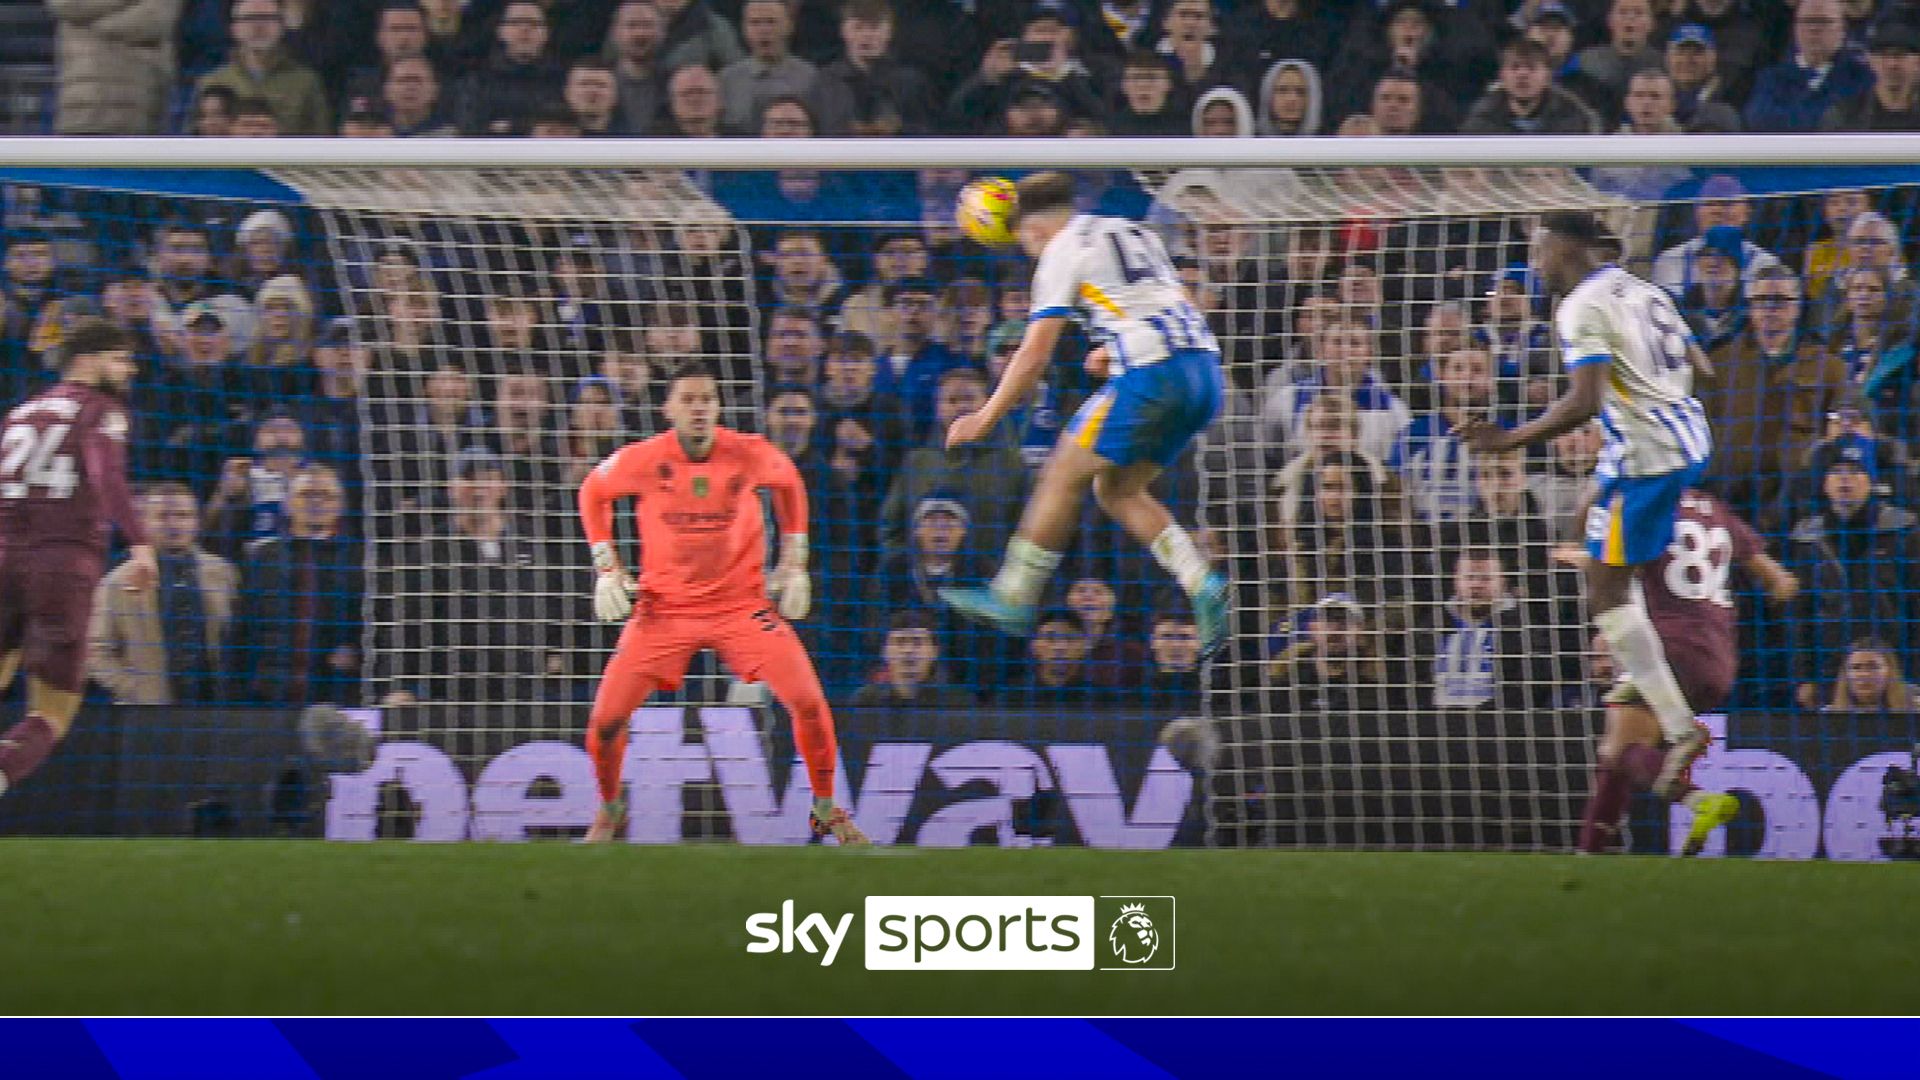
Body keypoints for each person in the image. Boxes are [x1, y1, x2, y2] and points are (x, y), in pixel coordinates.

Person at [1461, 210, 1715, 799]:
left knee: (1603, 595)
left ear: (1569, 248)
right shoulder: (1643, 287)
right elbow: (1702, 365)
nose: (1535, 263)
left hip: (1649, 462)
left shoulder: (1578, 306)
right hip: (1683, 441)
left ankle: (1680, 727)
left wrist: (1509, 440)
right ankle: (1654, 686)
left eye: (1540, 249)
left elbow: (1582, 402)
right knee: (1595, 537)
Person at [575, 359, 866, 845]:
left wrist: (796, 561)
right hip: (663, 612)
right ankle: (609, 809)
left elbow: (790, 484)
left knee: (809, 703)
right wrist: (607, 567)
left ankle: (825, 807)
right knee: (606, 721)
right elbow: (592, 491)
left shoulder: (749, 453)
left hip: (741, 609)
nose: (698, 408)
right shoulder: (644, 459)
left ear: (718, 406)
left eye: (707, 399)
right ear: (669, 408)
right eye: (687, 399)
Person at [939, 172, 1229, 654]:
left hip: (1151, 377)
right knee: (1117, 488)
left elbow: (1034, 354)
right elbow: (1161, 304)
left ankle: (1014, 594)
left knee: (1060, 473)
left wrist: (984, 417)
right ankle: (1201, 580)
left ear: (1032, 231)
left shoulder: (1059, 252)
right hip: (1203, 374)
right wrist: (1111, 353)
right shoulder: (1128, 230)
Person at [1572, 489, 1799, 857]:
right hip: (1719, 657)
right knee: (1618, 751)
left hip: (1665, 647)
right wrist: (1778, 587)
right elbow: (1780, 579)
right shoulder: (1715, 508)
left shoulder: (1642, 503)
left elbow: (1615, 564)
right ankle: (1592, 851)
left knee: (1623, 751)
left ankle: (1697, 800)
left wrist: (1584, 558)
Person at [0, 319, 154, 798]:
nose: (128, 371)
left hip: (3, 556)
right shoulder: (101, 409)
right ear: (90, 359)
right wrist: (140, 545)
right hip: (62, 566)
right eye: (121, 359)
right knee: (52, 712)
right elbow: (105, 473)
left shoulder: (20, 412)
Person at [88, 482, 238, 706]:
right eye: (163, 516)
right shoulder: (117, 582)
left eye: (183, 516)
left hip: (212, 707)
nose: (174, 524)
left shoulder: (224, 573)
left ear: (196, 522)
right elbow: (97, 652)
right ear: (144, 522)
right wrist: (134, 689)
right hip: (148, 714)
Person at [1825, 639, 1920, 713]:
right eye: (1855, 667)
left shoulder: (1914, 710)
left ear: (1890, 672)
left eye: (1874, 667)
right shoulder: (1826, 716)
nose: (1864, 674)